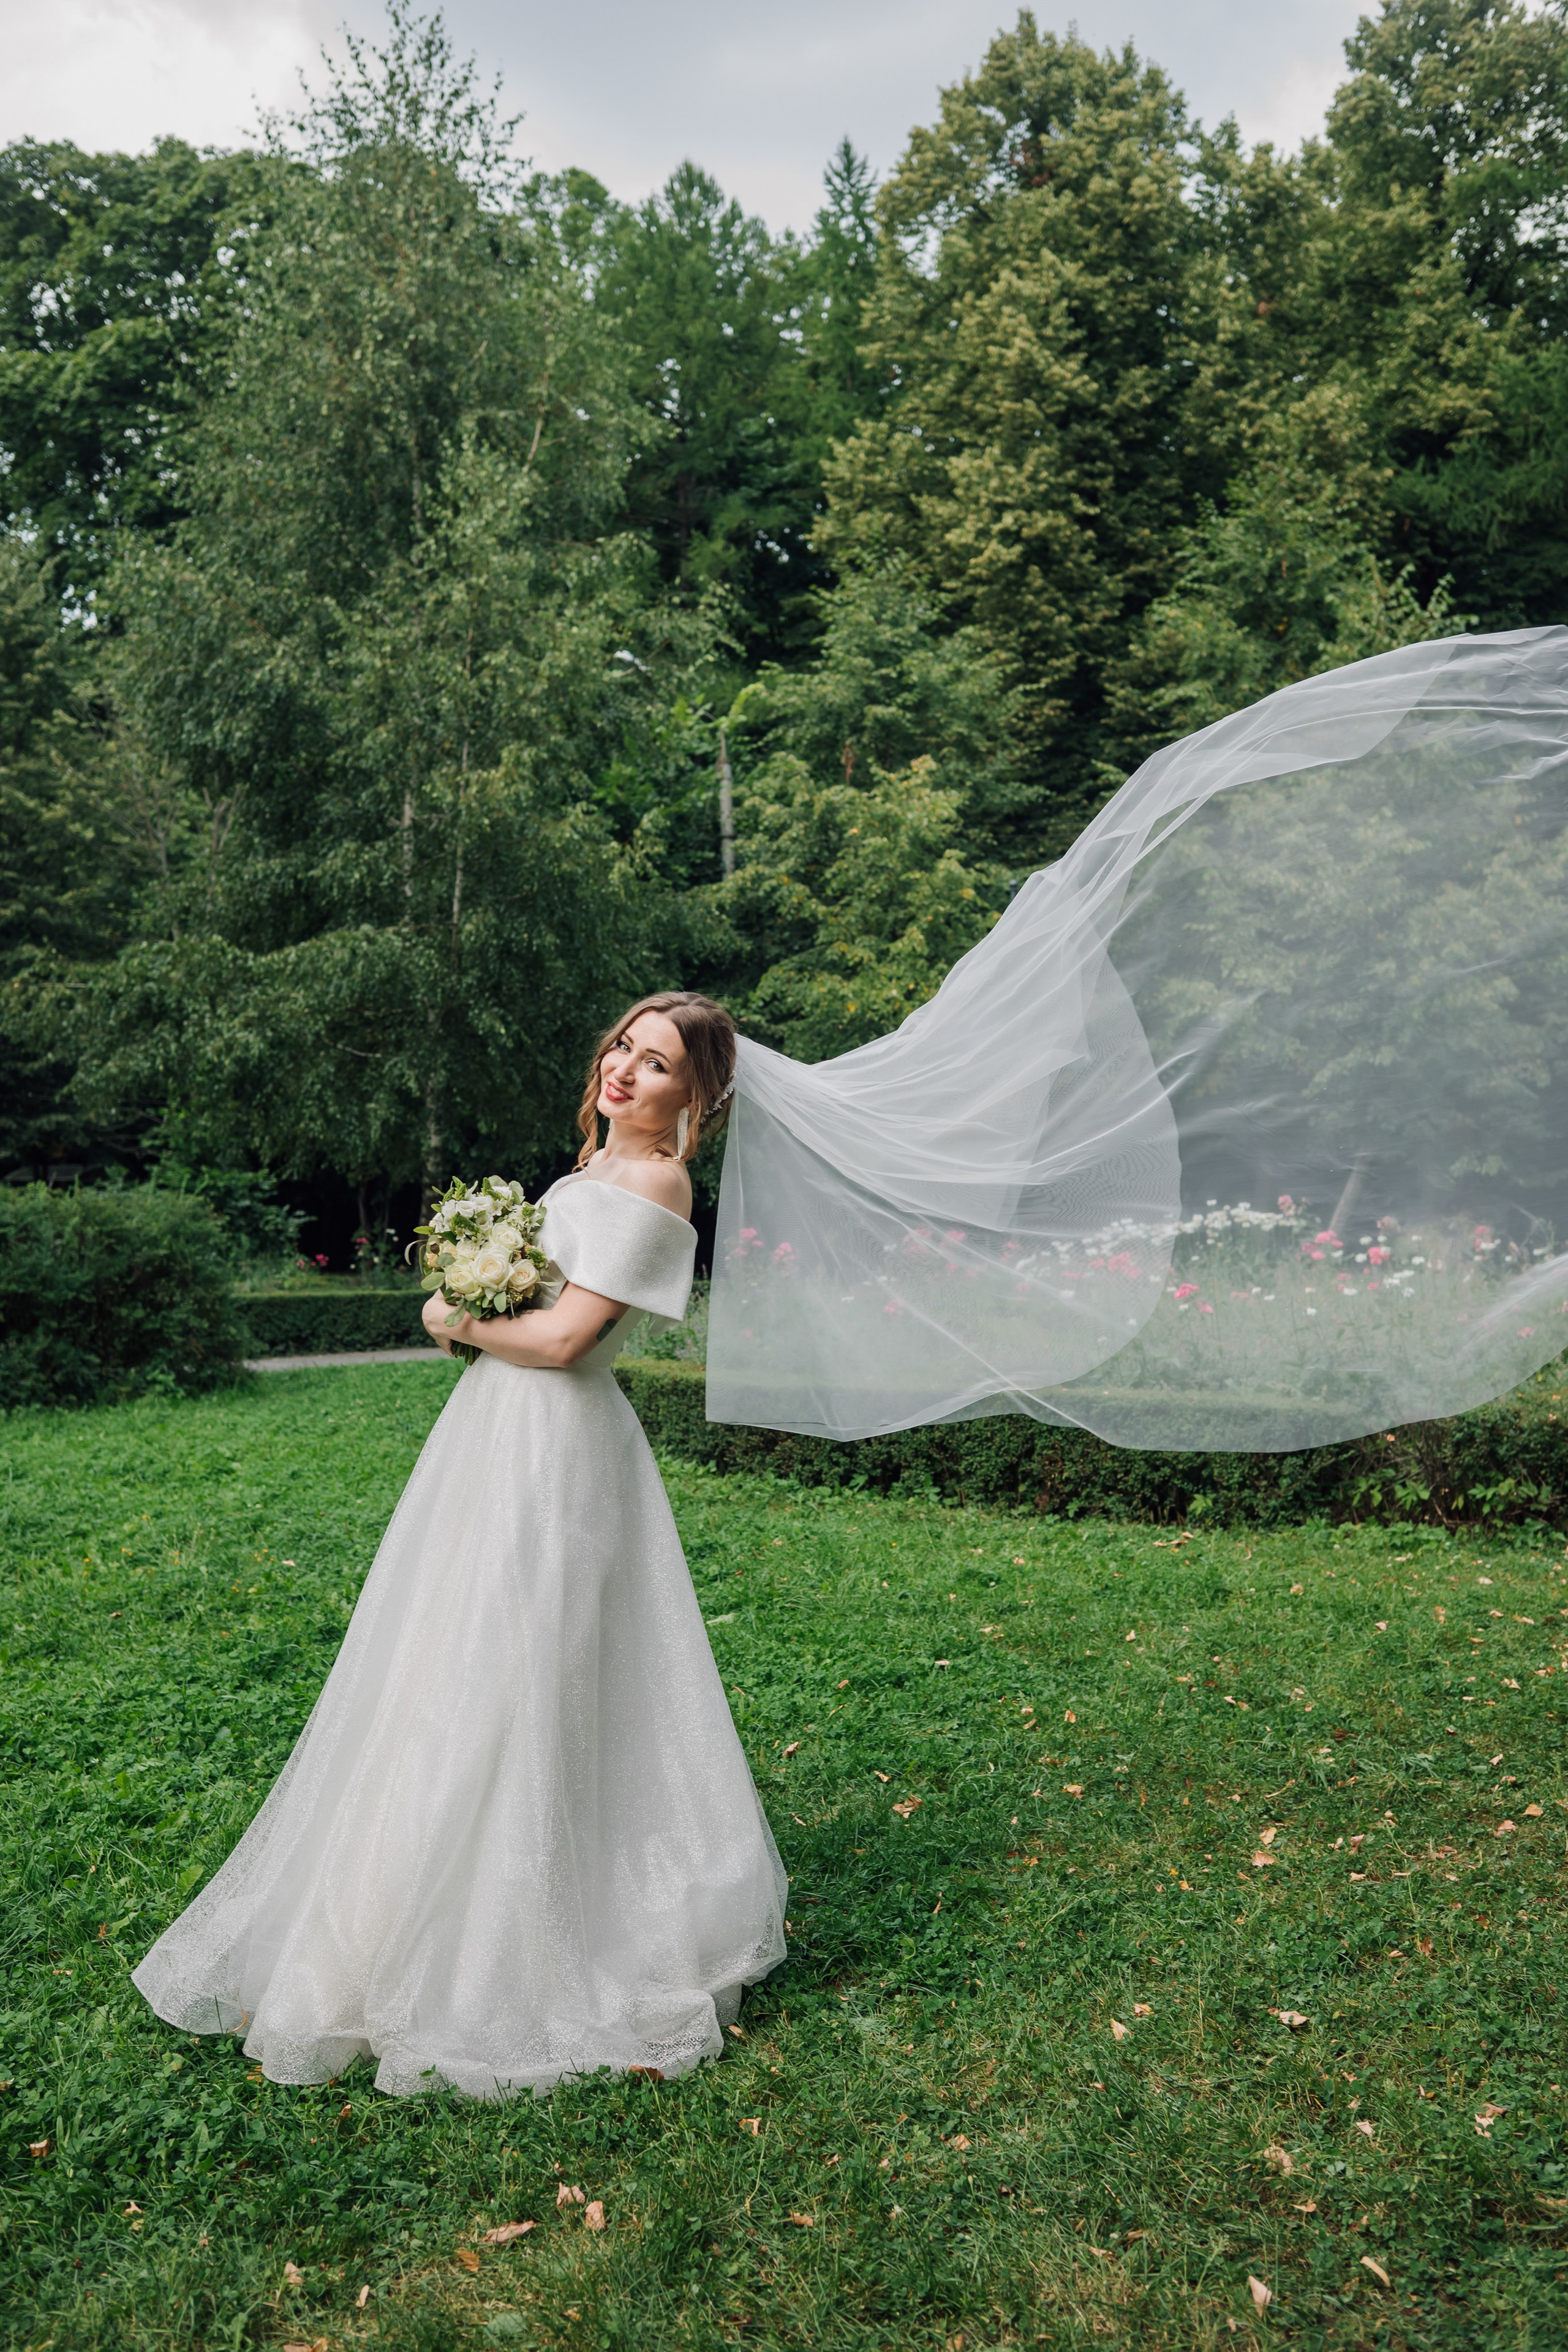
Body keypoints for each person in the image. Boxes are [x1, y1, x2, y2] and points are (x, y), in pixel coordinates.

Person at [133, 993, 787, 2098]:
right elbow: (534, 1319)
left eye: (658, 1063)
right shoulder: (584, 1174)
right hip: (493, 1432)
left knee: (526, 1662)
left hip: (559, 1450)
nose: (625, 1069)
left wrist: (454, 1318)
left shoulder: (657, 1183)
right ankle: (395, 1905)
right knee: (448, 1656)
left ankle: (520, 1932)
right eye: (623, 1046)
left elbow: (570, 1340)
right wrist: (481, 1315)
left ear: (695, 1095)